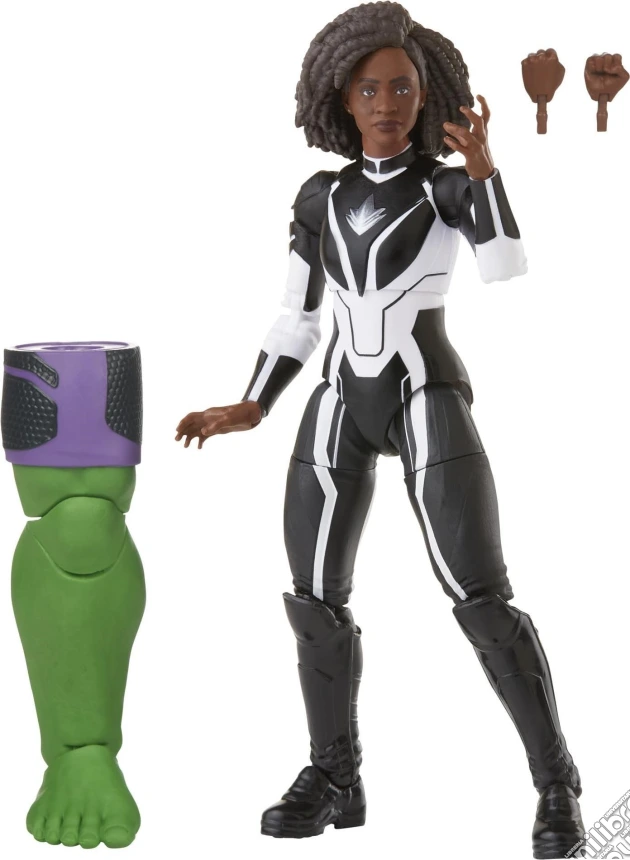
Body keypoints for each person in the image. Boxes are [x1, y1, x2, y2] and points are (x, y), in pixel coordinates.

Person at [176, 4, 583, 857]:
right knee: (312, 600)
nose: (386, 103)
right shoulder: (320, 197)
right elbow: (297, 315)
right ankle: (336, 776)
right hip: (339, 399)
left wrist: (485, 172)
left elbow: (505, 266)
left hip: (423, 391)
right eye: (369, 90)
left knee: (481, 600)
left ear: (425, 93)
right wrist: (253, 402)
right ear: (342, 98)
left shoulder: (444, 186)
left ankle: (555, 784)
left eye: (401, 87)